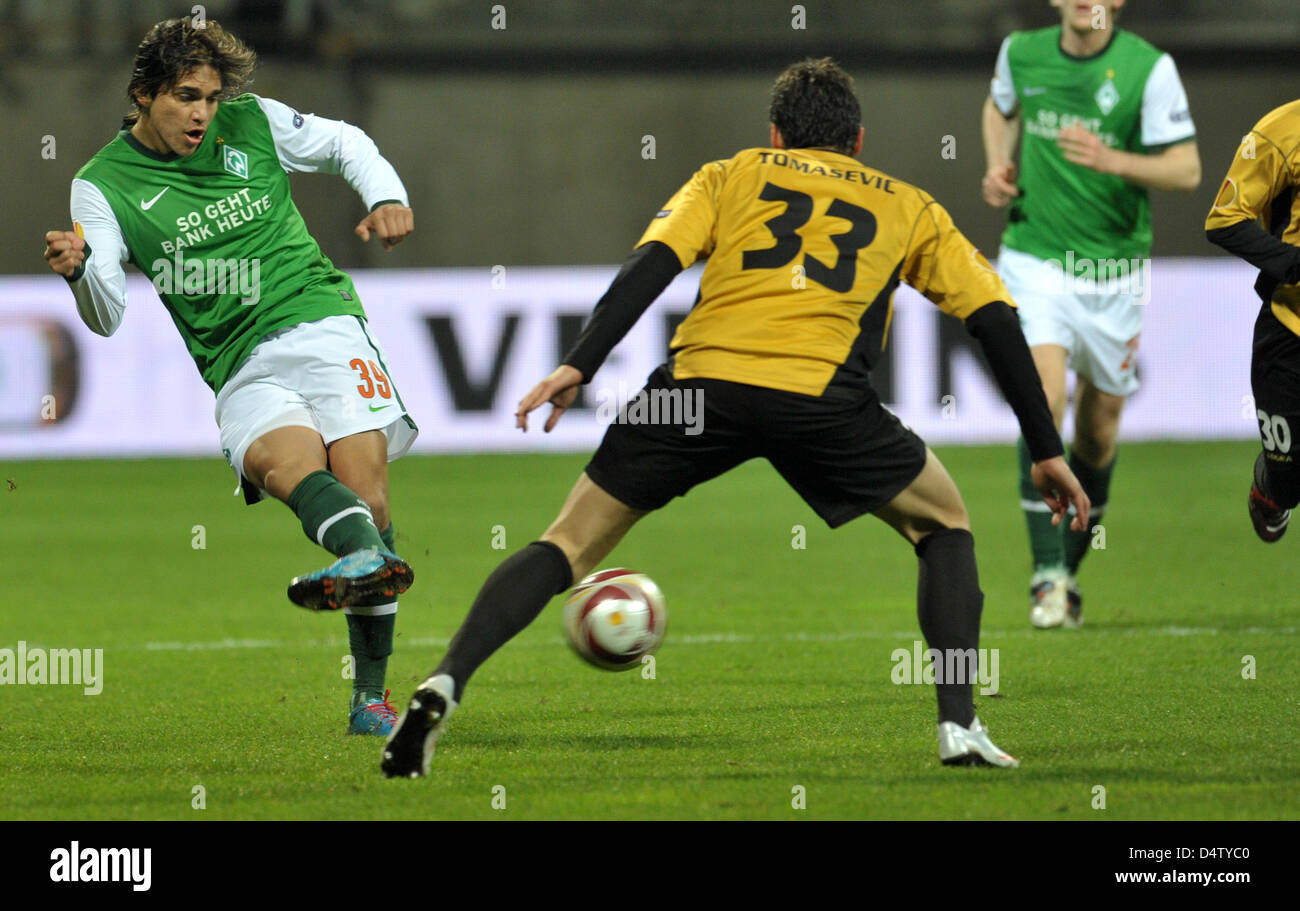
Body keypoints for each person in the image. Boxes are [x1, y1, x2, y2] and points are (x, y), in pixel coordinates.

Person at [381, 57, 1088, 778]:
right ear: (860, 140)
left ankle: (443, 682)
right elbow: (994, 317)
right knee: (944, 525)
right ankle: (959, 725)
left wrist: (580, 363)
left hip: (697, 390)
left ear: (777, 134)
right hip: (820, 400)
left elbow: (652, 264)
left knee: (567, 543)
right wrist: (1045, 445)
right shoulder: (910, 205)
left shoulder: (731, 172)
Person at [42, 17, 418, 735]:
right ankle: (364, 558)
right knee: (286, 468)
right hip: (237, 358)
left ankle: (370, 699)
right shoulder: (101, 185)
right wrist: (84, 268)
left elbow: (343, 141)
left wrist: (384, 195)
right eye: (186, 97)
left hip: (320, 317)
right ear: (144, 95)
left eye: (211, 98)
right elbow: (108, 313)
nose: (202, 114)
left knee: (368, 497)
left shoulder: (251, 123)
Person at [981, 0, 1200, 628]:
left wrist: (1115, 161)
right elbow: (1000, 107)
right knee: (1043, 399)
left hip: (1113, 275)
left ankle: (1067, 574)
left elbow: (1186, 169)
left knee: (1097, 434)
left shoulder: (1147, 69)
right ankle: (1045, 574)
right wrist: (998, 161)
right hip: (1036, 259)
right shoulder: (1021, 53)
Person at [1205, 100, 1300, 541]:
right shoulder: (1280, 131)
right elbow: (1224, 221)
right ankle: (1270, 486)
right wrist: (1293, 264)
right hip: (1289, 328)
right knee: (1289, 479)